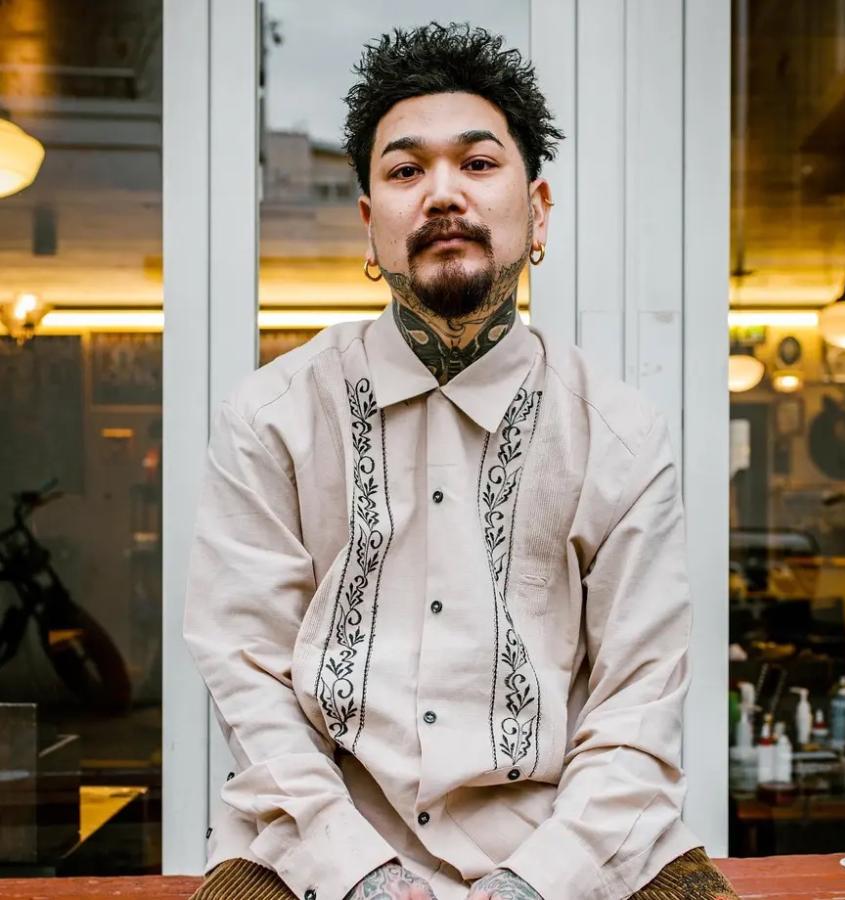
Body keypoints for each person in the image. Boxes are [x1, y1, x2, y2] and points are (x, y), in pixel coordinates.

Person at [184, 22, 738, 900]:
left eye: (478, 163)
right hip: (313, 846)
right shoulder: (271, 418)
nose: (443, 193)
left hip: (575, 845)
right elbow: (247, 676)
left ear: (538, 209)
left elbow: (638, 705)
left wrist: (537, 882)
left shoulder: (619, 435)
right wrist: (357, 873)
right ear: (369, 227)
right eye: (406, 171)